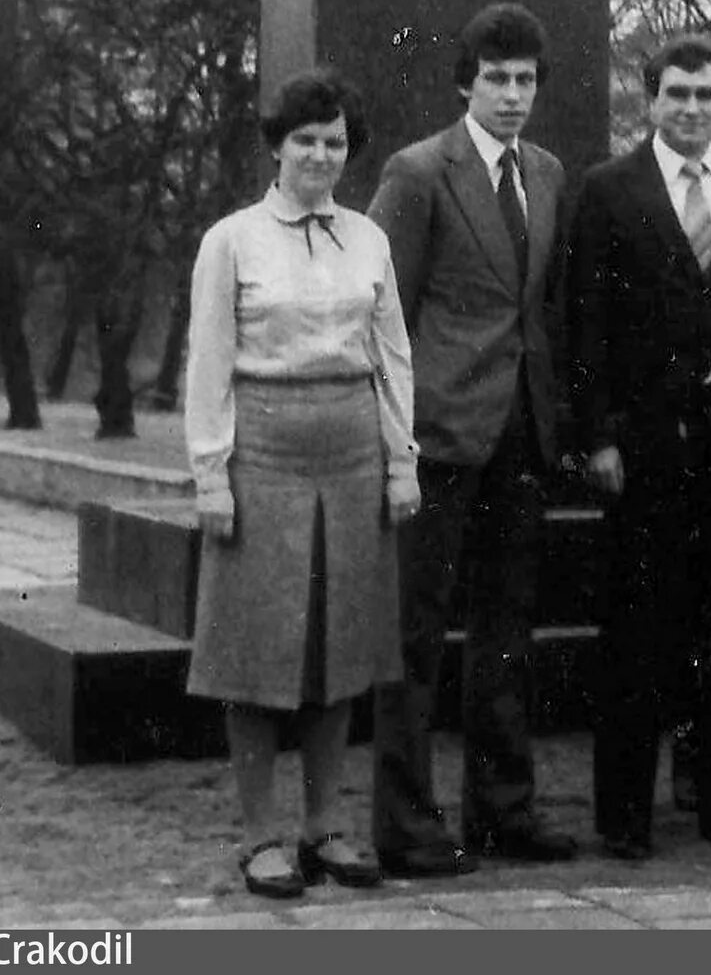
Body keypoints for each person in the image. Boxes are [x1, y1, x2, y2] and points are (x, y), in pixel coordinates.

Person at [183, 69, 419, 900]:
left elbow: (390, 357)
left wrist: (401, 459)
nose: (321, 156)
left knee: (339, 644)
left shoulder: (370, 239)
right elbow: (209, 363)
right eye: (305, 141)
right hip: (265, 456)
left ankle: (327, 825)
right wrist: (211, 473)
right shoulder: (232, 241)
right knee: (254, 650)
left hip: (352, 453)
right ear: (276, 147)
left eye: (335, 142)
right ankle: (260, 837)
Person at [564, 37, 711, 863]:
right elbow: (582, 322)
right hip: (642, 447)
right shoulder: (607, 189)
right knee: (637, 630)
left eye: (706, 94)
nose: (692, 108)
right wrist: (596, 436)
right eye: (676, 94)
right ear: (651, 98)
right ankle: (625, 816)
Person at [364, 4, 578, 875]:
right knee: (413, 640)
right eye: (497, 78)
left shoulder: (552, 173)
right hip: (437, 439)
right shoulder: (418, 173)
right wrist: (396, 442)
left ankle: (502, 813)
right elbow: (382, 313)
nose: (514, 95)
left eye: (527, 79)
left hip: (521, 436)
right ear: (466, 83)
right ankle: (408, 826)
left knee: (507, 635)